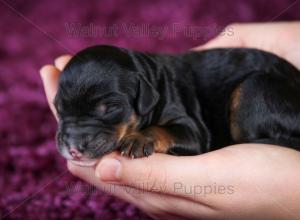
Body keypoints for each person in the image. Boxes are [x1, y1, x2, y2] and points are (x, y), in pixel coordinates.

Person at [40, 22, 300, 219]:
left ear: (144, 96)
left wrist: (154, 137)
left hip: (273, 92)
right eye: (64, 110)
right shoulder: (137, 85)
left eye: (108, 109)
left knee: (252, 96)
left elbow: (193, 137)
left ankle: (266, 141)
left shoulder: (166, 93)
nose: (74, 138)